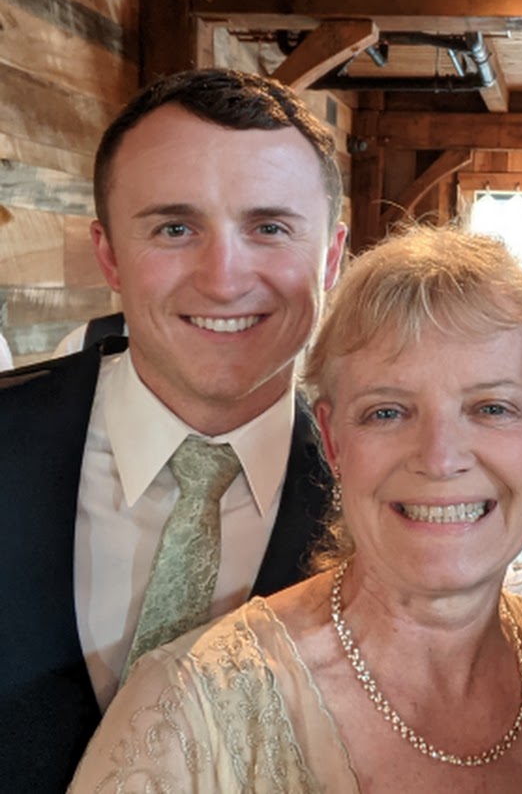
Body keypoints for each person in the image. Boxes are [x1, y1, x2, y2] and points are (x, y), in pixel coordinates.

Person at [69, 224, 522, 794]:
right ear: (333, 440)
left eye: (492, 408)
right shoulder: (188, 714)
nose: (440, 459)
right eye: (387, 412)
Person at [0, 68, 347, 792]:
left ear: (331, 257)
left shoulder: (383, 491)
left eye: (270, 228)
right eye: (175, 228)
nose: (223, 279)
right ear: (109, 255)